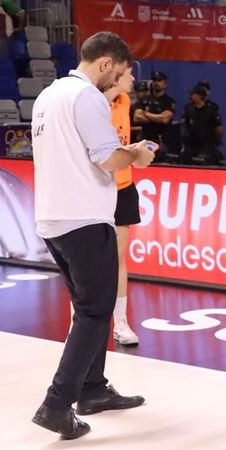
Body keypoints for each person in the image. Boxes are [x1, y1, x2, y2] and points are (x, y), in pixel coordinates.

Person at [29, 32, 156, 440]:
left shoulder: (48, 95)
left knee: (90, 305)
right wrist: (136, 153)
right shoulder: (86, 97)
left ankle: (93, 389)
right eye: (117, 73)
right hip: (82, 217)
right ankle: (56, 403)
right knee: (95, 311)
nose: (117, 82)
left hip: (53, 216)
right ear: (105, 64)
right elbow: (106, 159)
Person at [104, 61, 141, 348]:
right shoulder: (93, 104)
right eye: (129, 74)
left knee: (118, 258)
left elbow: (119, 143)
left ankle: (121, 322)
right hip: (96, 189)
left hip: (124, 187)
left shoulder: (126, 100)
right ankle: (78, 321)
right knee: (89, 261)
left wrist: (136, 150)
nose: (133, 79)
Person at [132, 70, 177, 159]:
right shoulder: (145, 100)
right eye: (154, 80)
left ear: (165, 83)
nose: (156, 83)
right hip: (146, 139)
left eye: (159, 80)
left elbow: (165, 119)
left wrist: (146, 114)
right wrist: (157, 117)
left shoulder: (169, 101)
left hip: (162, 140)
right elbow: (137, 118)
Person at [180, 83, 223, 164]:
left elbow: (219, 129)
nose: (190, 96)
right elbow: (185, 123)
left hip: (206, 145)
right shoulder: (189, 108)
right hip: (191, 144)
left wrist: (215, 139)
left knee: (203, 159)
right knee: (185, 157)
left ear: (199, 96)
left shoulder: (211, 110)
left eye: (193, 94)